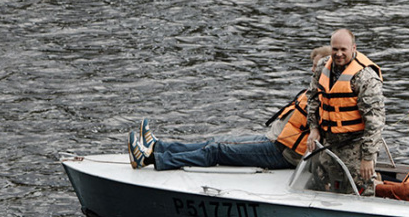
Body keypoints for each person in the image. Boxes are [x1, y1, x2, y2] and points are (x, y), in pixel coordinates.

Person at [127, 45, 332, 171]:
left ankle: (151, 159)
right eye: (312, 66)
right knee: (214, 141)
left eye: (316, 67)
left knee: (217, 150)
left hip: (283, 152)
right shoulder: (316, 90)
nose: (312, 70)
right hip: (275, 139)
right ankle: (158, 146)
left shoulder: (328, 98)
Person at [306, 28, 385, 195]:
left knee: (360, 191)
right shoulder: (322, 67)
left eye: (343, 49)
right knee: (318, 187)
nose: (339, 54)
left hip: (355, 146)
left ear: (353, 48)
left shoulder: (365, 77)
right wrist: (314, 128)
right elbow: (313, 98)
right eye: (335, 49)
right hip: (328, 143)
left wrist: (368, 158)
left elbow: (375, 122)